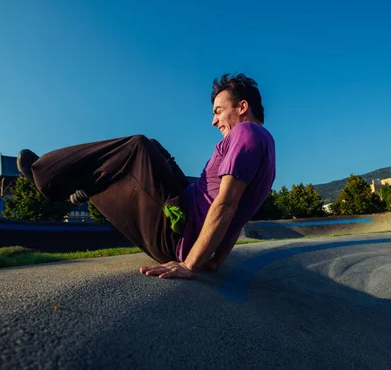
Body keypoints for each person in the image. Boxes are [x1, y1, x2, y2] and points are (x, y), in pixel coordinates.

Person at [17, 73, 276, 279]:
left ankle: (45, 176)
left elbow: (227, 205)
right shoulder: (266, 147)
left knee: (138, 146)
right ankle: (82, 187)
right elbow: (239, 215)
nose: (214, 121)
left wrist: (190, 264)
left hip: (176, 233)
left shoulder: (245, 134)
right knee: (153, 147)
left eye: (219, 111)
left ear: (242, 107)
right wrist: (217, 260)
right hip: (183, 208)